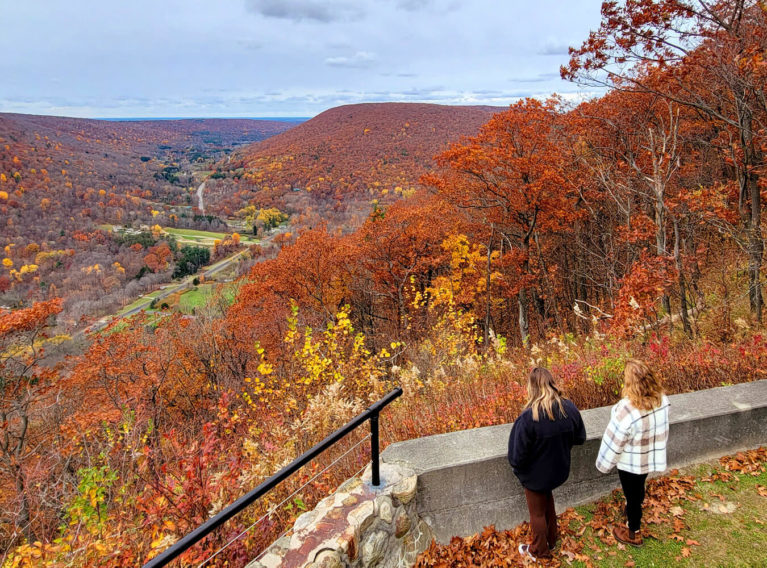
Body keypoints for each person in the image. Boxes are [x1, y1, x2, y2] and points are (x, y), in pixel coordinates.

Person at [508, 367, 587, 560]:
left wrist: (520, 472)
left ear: (532, 388)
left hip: (535, 475)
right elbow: (580, 438)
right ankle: (551, 539)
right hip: (558, 470)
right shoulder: (568, 408)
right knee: (547, 501)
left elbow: (516, 456)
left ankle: (539, 551)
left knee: (536, 514)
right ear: (552, 383)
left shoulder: (528, 417)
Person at [596, 359, 670, 547]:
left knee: (632, 494)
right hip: (648, 455)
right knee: (639, 486)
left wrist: (603, 464)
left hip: (630, 461)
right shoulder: (661, 399)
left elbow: (614, 441)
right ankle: (631, 510)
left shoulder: (627, 410)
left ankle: (633, 532)